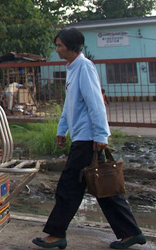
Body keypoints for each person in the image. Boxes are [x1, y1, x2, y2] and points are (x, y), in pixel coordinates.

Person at [32, 28, 145, 250]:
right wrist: (62, 129)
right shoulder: (72, 68)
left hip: (88, 139)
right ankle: (131, 233)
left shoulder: (84, 67)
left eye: (60, 46)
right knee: (103, 186)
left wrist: (101, 134)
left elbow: (95, 103)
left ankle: (56, 234)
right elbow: (70, 104)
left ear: (72, 46)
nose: (57, 50)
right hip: (82, 137)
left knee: (69, 187)